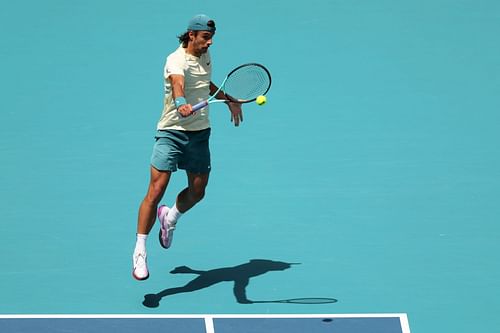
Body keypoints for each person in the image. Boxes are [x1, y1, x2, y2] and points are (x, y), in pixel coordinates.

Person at [132, 14, 243, 280]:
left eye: (212, 38)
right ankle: (140, 251)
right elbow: (178, 84)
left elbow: (204, 85)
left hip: (200, 134)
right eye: (206, 37)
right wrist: (180, 101)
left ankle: (169, 219)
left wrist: (227, 99)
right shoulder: (175, 60)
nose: (210, 43)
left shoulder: (204, 55)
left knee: (198, 191)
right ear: (191, 35)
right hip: (171, 132)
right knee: (156, 189)